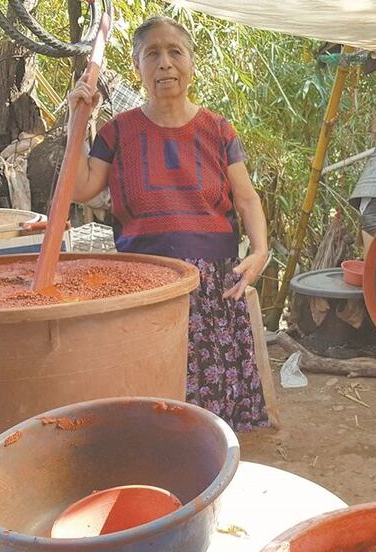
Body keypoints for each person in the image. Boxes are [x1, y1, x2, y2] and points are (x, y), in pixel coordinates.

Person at [68, 15, 271, 432]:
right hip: (146, 283)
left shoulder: (218, 129)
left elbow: (247, 198)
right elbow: (80, 188)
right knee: (154, 405)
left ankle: (213, 472)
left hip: (213, 284)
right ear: (136, 67)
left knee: (212, 421)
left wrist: (260, 251)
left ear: (192, 63)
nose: (165, 64)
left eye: (175, 52)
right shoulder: (116, 132)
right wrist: (77, 121)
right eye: (152, 54)